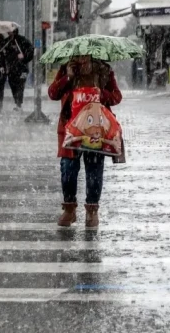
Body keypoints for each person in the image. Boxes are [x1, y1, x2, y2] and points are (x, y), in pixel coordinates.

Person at [48, 56, 122, 228]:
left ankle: (92, 210)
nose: (83, 59)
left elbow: (117, 97)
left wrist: (101, 94)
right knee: (68, 169)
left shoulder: (104, 70)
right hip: (70, 130)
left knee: (94, 170)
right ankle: (69, 208)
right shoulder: (67, 67)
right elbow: (53, 93)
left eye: (86, 55)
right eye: (80, 55)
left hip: (97, 130)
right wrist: (68, 77)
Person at [0, 29, 34, 112]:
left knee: (20, 85)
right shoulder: (6, 42)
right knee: (13, 86)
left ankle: (18, 104)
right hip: (11, 69)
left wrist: (24, 55)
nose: (8, 32)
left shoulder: (22, 40)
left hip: (22, 69)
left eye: (10, 31)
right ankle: (15, 103)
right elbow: (1, 55)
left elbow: (31, 50)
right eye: (8, 31)